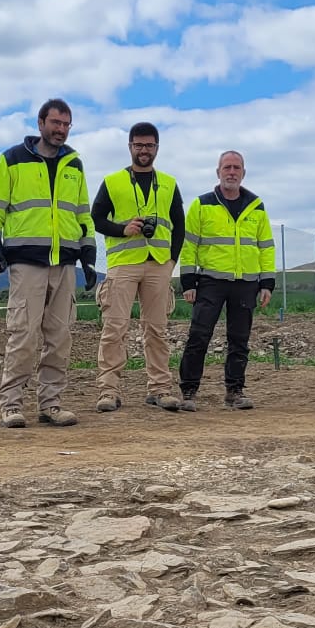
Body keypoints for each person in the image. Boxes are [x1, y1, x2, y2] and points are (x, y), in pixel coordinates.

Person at [0, 98, 96, 427]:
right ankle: (12, 404)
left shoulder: (74, 164)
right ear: (40, 123)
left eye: (66, 125)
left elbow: (82, 213)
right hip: (27, 263)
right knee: (23, 335)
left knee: (60, 336)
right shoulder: (12, 160)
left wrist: (88, 253)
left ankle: (51, 403)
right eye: (55, 123)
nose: (60, 130)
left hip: (65, 264)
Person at [89, 121, 186, 413]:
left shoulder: (168, 183)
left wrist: (171, 262)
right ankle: (108, 391)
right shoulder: (112, 181)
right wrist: (122, 229)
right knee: (114, 328)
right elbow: (96, 218)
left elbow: (179, 226)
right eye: (139, 145)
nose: (144, 150)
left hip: (158, 265)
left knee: (157, 329)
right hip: (123, 265)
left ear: (157, 148)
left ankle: (159, 389)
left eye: (149, 145)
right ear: (130, 146)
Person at [176, 151, 274, 411]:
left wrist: (267, 282)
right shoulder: (202, 204)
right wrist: (187, 282)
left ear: (243, 172)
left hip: (246, 283)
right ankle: (188, 391)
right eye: (227, 167)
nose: (232, 172)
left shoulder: (257, 206)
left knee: (239, 339)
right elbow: (190, 245)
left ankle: (235, 391)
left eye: (237, 168)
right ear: (218, 172)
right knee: (199, 336)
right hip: (210, 281)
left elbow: (266, 247)